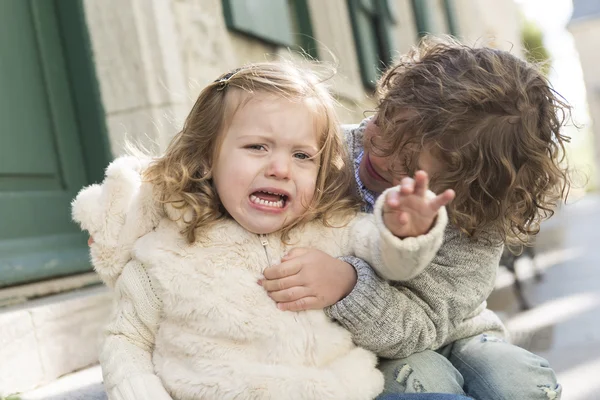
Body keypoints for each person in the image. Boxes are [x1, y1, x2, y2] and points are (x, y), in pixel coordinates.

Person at [72, 62, 456, 400]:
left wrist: (405, 231)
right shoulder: (165, 254)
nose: (281, 168)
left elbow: (394, 263)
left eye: (302, 155)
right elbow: (126, 340)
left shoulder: (331, 227)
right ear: (207, 157)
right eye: (257, 147)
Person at [260, 36, 569, 400]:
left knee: (516, 382)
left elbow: (421, 326)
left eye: (408, 167)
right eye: (385, 122)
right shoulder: (320, 152)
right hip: (349, 347)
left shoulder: (475, 225)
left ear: (470, 193)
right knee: (425, 381)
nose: (379, 153)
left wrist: (348, 285)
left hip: (446, 330)